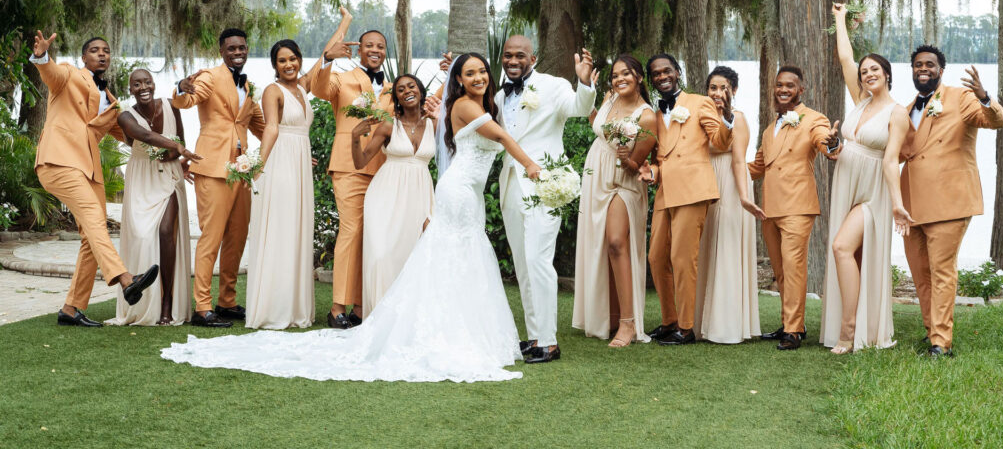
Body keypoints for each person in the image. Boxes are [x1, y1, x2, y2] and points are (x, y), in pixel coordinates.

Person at [162, 53, 543, 383]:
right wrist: (532, 166)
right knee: (422, 253)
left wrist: (448, 80)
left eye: (482, 72)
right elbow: (503, 140)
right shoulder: (443, 112)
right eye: (469, 73)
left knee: (445, 258)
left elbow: (464, 128)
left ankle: (459, 328)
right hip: (418, 190)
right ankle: (355, 310)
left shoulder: (443, 117)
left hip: (443, 192)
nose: (478, 78)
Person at [28, 32, 159, 327]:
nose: (102, 54)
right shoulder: (69, 76)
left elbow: (130, 138)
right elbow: (50, 72)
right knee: (95, 222)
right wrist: (41, 57)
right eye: (95, 51)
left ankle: (71, 309)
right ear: (84, 57)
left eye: (107, 51)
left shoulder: (112, 103)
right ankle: (127, 280)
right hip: (59, 161)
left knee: (91, 236)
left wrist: (168, 152)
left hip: (90, 171)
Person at [495, 35, 595, 364]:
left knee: (539, 262)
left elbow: (579, 109)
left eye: (520, 55)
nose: (513, 60)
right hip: (511, 186)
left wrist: (584, 83)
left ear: (533, 58)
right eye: (508, 55)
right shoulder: (497, 95)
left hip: (543, 186)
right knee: (523, 267)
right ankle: (535, 336)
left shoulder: (552, 86)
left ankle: (549, 342)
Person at [900, 45, 1003, 357]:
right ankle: (931, 329)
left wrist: (985, 97)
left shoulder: (961, 98)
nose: (923, 69)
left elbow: (995, 120)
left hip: (949, 202)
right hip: (911, 205)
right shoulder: (908, 109)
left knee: (942, 271)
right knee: (920, 273)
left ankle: (941, 343)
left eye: (930, 64)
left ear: (941, 70)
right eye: (918, 64)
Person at [819, 4, 913, 354]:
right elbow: (845, 58)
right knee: (850, 254)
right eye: (864, 71)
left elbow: (891, 162)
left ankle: (849, 329)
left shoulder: (897, 112)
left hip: (874, 190)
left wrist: (898, 206)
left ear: (887, 74)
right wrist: (840, 20)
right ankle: (851, 323)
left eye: (875, 69)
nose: (867, 73)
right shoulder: (860, 101)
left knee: (842, 247)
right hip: (847, 178)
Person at [172, 28, 265, 328]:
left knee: (237, 237)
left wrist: (296, 149)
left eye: (242, 48)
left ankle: (227, 301)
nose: (237, 53)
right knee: (211, 236)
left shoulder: (249, 87)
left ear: (247, 49)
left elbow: (263, 127)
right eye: (231, 49)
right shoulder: (209, 76)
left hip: (243, 170)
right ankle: (202, 307)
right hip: (212, 168)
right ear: (222, 50)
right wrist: (182, 87)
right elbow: (185, 101)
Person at [309, 8, 394, 330]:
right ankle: (337, 307)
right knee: (351, 232)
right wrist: (327, 59)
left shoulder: (392, 87)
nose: (375, 50)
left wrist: (448, 74)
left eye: (380, 47)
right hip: (348, 166)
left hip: (384, 168)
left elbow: (418, 104)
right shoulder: (342, 80)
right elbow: (317, 88)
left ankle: (361, 305)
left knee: (373, 236)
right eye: (369, 45)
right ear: (360, 49)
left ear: (386, 53)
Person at [641, 54, 733, 346]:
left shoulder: (699, 102)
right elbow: (661, 155)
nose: (661, 76)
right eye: (655, 74)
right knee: (656, 256)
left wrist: (727, 118)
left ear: (677, 72)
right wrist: (652, 170)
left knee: (683, 258)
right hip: (666, 190)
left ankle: (686, 326)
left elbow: (718, 141)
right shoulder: (655, 112)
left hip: (693, 189)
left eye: (666, 71)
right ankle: (668, 321)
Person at [747, 66, 841, 351]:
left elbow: (825, 141)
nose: (783, 89)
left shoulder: (814, 120)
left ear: (801, 89)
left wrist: (832, 142)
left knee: (794, 267)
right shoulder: (768, 129)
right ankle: (792, 323)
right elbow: (758, 167)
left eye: (790, 85)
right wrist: (722, 170)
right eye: (779, 85)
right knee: (781, 271)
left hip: (798, 206)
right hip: (770, 209)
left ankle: (793, 332)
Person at [572, 55, 656, 347]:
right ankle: (607, 315)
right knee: (600, 244)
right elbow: (598, 125)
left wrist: (628, 157)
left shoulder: (647, 116)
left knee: (617, 243)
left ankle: (628, 323)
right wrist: (585, 86)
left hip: (624, 182)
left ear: (640, 78)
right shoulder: (609, 98)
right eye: (616, 75)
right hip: (595, 173)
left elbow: (639, 167)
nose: (620, 79)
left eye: (627, 74)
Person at [109, 70, 200, 326]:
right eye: (136, 84)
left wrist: (173, 155)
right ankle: (143, 298)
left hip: (169, 176)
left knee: (165, 232)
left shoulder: (171, 107)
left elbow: (180, 137)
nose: (143, 87)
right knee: (140, 236)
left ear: (154, 84)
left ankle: (167, 303)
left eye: (147, 82)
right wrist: (177, 149)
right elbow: (145, 136)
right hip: (141, 179)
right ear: (131, 90)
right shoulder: (125, 116)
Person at [245, 39, 316, 330]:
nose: (289, 65)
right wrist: (259, 164)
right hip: (280, 163)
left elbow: (323, 59)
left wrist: (344, 23)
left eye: (294, 59)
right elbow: (272, 127)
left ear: (300, 59)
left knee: (298, 229)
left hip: (298, 162)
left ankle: (294, 304)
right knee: (281, 228)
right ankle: (274, 307)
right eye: (282, 60)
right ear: (274, 65)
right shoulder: (273, 91)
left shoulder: (300, 89)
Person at [352, 73, 436, 316]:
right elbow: (361, 161)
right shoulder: (389, 124)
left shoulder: (435, 123)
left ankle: (407, 318)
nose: (407, 91)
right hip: (385, 196)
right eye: (400, 89)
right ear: (396, 97)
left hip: (420, 197)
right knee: (381, 256)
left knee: (414, 256)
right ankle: (379, 316)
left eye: (411, 86)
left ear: (420, 91)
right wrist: (354, 137)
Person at [692, 66, 762, 344]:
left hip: (732, 185)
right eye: (713, 88)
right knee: (707, 246)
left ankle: (726, 324)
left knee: (727, 248)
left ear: (733, 91)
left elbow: (737, 160)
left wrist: (744, 197)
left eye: (724, 88)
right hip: (706, 181)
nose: (718, 93)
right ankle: (699, 322)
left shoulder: (740, 119)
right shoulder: (701, 117)